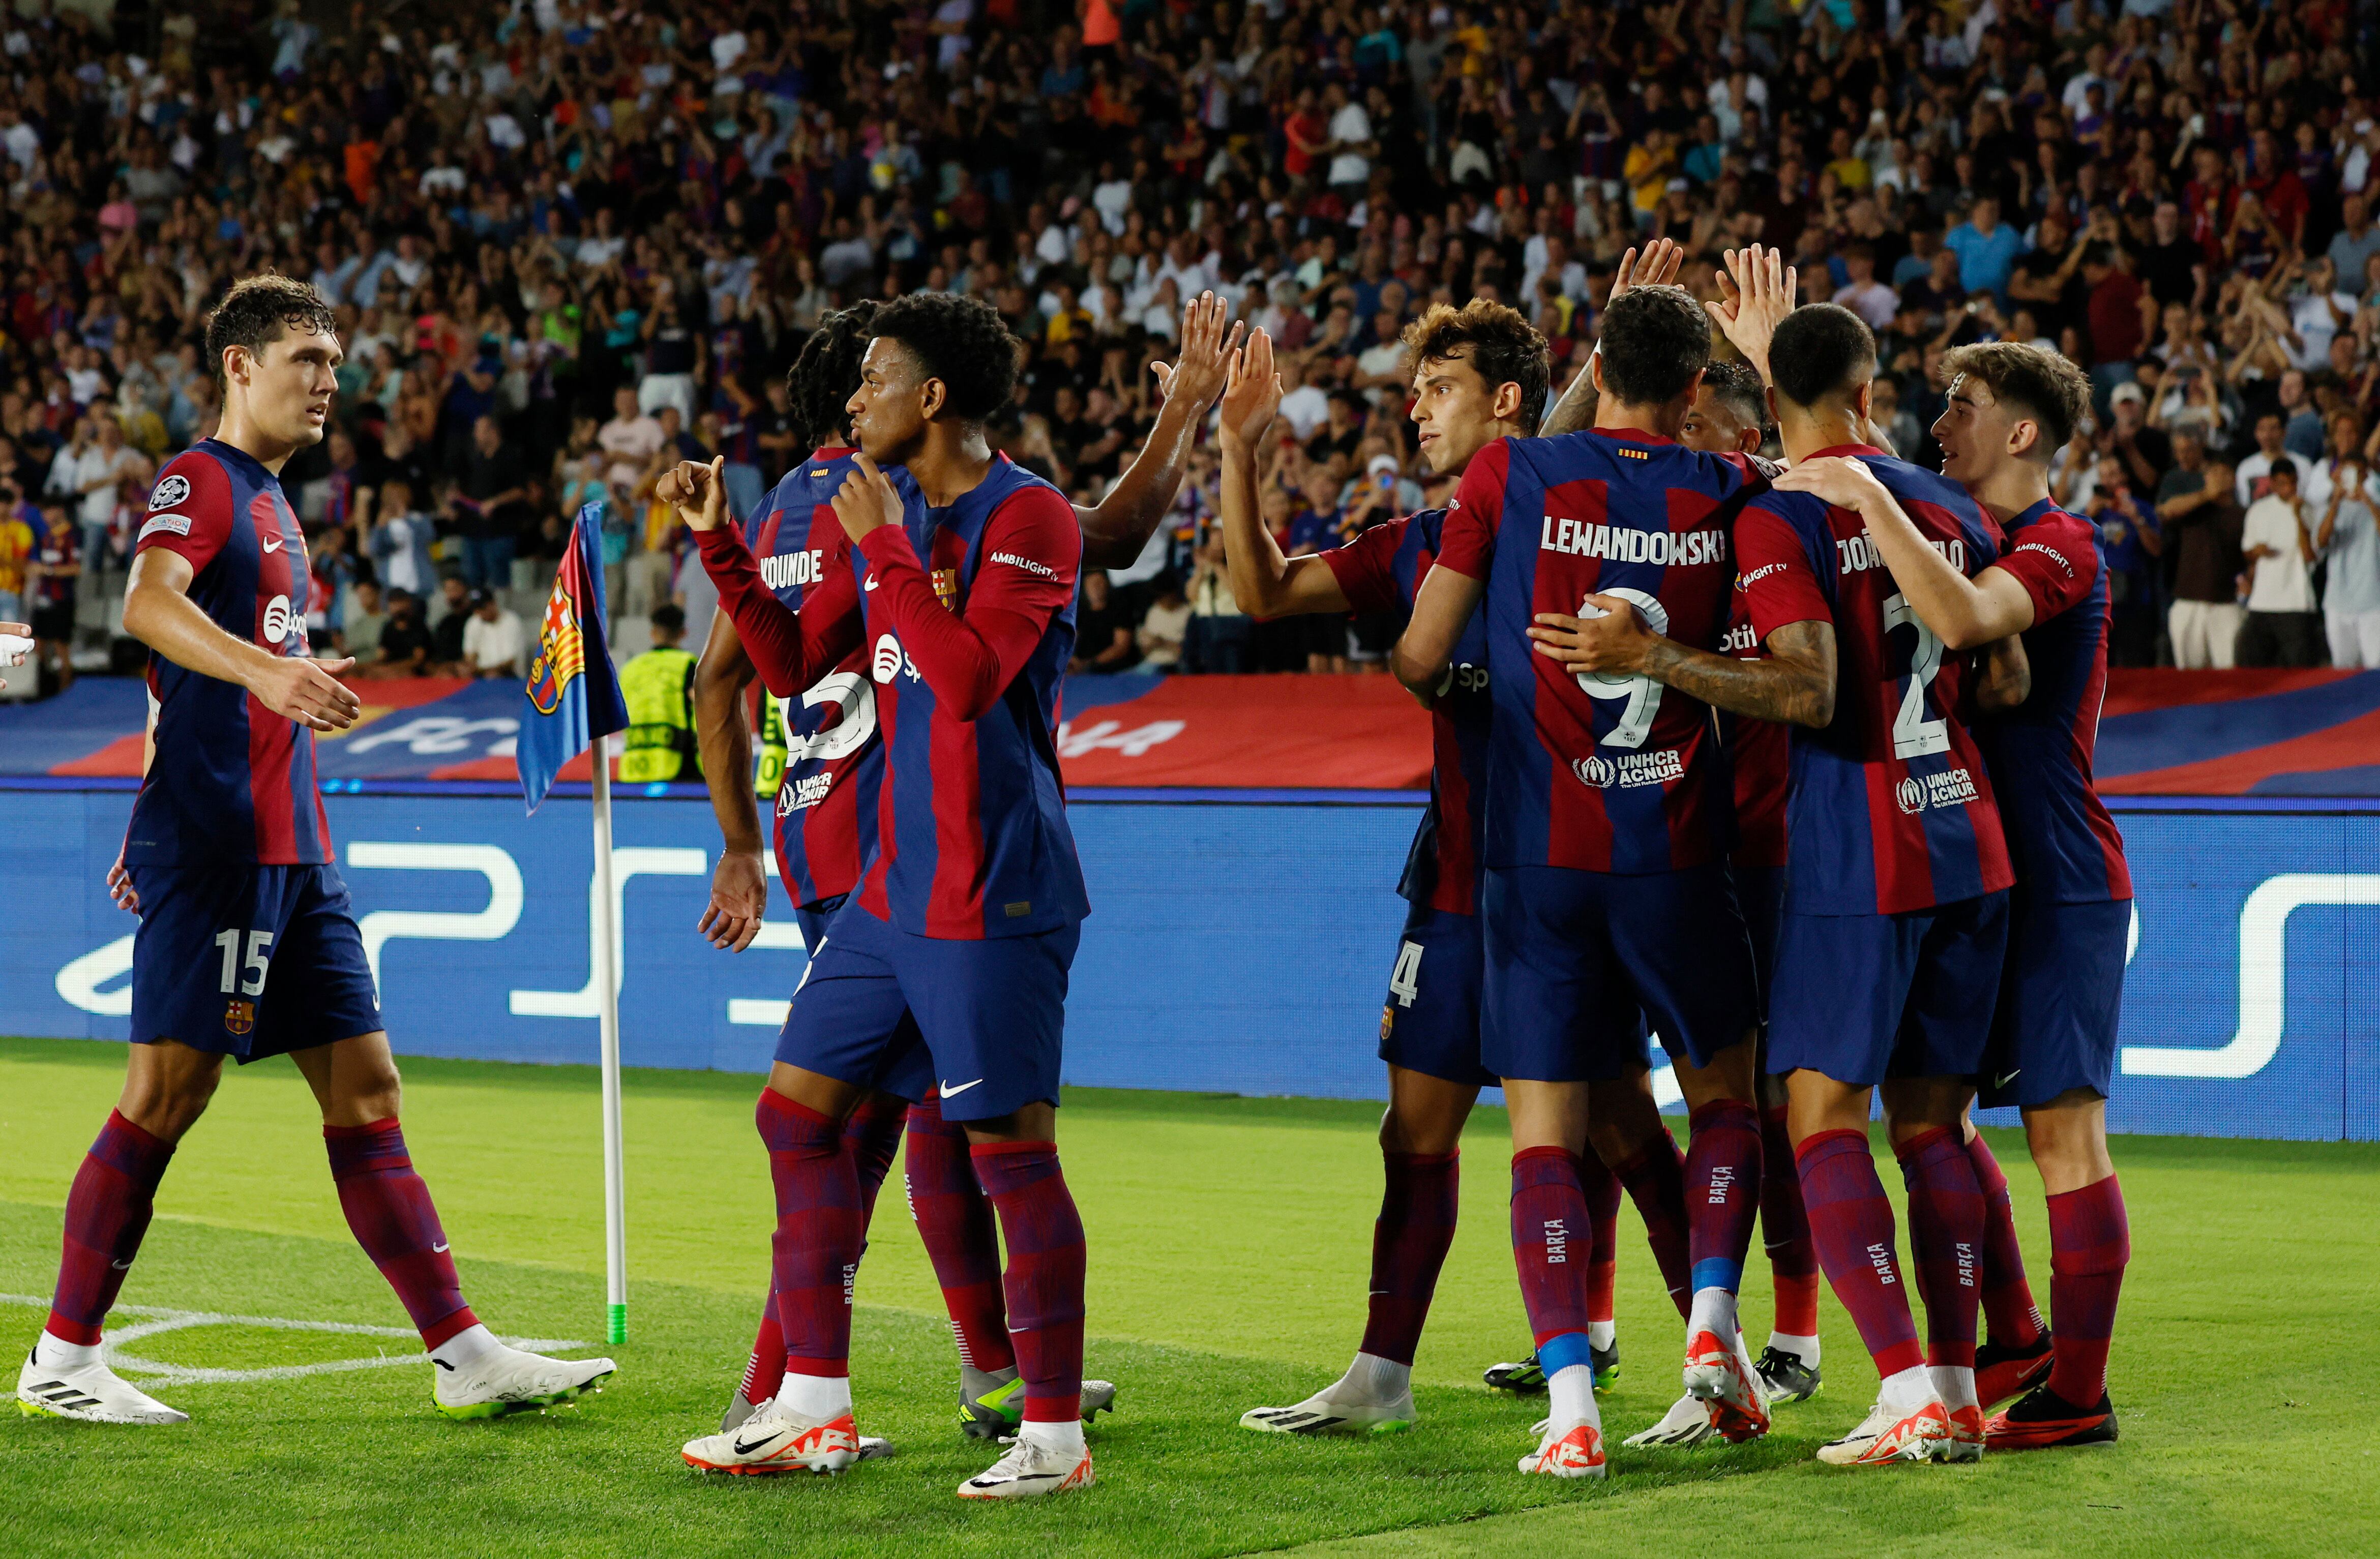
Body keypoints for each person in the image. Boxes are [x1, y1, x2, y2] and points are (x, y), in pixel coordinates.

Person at [15, 275, 613, 1427]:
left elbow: (176, 669)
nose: (329, 379)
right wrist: (259, 678)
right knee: (165, 1094)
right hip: (227, 841)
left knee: (368, 1088)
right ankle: (64, 1358)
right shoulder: (201, 478)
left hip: (297, 850)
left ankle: (464, 1352)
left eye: (336, 359)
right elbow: (147, 606)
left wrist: (265, 674)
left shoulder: (279, 507)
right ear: (239, 367)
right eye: (305, 357)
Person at [673, 290, 1209, 1498]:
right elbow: (793, 662)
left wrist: (884, 555)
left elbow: (967, 681)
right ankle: (811, 1401)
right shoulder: (892, 509)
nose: (847, 400)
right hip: (891, 891)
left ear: (929, 399)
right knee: (795, 1116)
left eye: (870, 379)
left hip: (994, 888)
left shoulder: (1027, 519)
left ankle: (1053, 1437)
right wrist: (718, 543)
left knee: (1008, 1155)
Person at [1531, 258, 2015, 1468]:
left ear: (1753, 394)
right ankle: (1951, 1391)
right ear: (1868, 387)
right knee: (1935, 1131)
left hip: (1857, 851)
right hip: (1971, 836)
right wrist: (1765, 360)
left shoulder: (1775, 513)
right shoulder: (1941, 505)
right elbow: (2001, 676)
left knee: (1814, 1121)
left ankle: (1899, 1380)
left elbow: (1807, 687)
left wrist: (1650, 658)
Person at [1390, 273, 1781, 1479]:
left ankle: (1569, 1408)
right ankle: (1713, 1327)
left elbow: (1417, 652)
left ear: (1595, 370)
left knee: (1546, 1141)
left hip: (1538, 859)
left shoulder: (1508, 480)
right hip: (1674, 852)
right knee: (1724, 1101)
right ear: (1694, 393)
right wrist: (1759, 373)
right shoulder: (1731, 487)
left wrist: (1484, 688)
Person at [1787, 341, 2132, 1452]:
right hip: (1980, 872)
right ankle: (2019, 1335)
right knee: (1939, 1118)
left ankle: (2079, 1396)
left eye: (1964, 407)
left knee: (2065, 1136)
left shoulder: (2060, 545)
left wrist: (1865, 489)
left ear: (2023, 433)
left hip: (2064, 881)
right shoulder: (1975, 525)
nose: (1940, 427)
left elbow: (1970, 620)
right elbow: (1888, 480)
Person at [2236, 461, 2326, 667]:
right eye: (2284, 484)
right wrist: (2257, 551)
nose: (2291, 489)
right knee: (2254, 669)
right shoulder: (2258, 510)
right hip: (2262, 602)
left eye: (2294, 483)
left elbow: (2310, 556)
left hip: (2297, 603)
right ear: (2273, 485)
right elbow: (2248, 552)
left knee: (2300, 671)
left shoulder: (2309, 510)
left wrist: (2297, 516)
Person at [618, 603, 701, 780]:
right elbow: (703, 706)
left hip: (634, 763)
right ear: (683, 633)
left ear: (653, 633)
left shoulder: (630, 668)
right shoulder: (689, 664)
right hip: (678, 763)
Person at [2316, 460, 2380, 669]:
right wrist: (2335, 503)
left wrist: (2367, 501)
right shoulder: (2329, 508)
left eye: (2356, 472)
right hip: (2338, 602)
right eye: (2345, 472)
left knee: (2375, 670)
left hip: (2373, 602)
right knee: (2342, 671)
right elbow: (2321, 541)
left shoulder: (2376, 505)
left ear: (2366, 476)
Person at [26, 501, 79, 695]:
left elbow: (76, 568)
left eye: (48, 510)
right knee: (38, 645)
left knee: (60, 647)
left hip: (62, 599)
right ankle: (42, 692)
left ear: (59, 510)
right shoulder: (47, 537)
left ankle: (66, 694)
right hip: (43, 598)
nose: (45, 516)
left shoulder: (71, 536)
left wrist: (47, 571)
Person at [459, 587, 525, 680]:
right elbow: (470, 654)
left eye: (482, 608)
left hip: (510, 677)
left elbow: (510, 663)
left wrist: (483, 670)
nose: (480, 613)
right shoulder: (474, 622)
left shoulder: (511, 621)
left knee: (493, 676)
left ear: (493, 604)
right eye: (476, 609)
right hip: (482, 676)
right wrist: (469, 667)